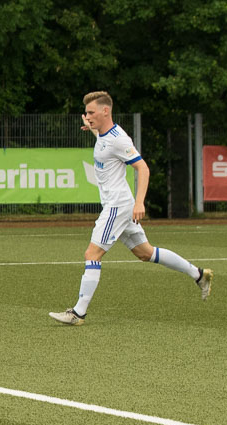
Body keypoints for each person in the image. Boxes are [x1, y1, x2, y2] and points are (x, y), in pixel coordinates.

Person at [49, 91, 213, 326]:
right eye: (86, 113)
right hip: (118, 205)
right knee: (145, 253)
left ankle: (78, 313)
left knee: (92, 255)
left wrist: (139, 202)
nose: (87, 116)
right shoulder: (104, 133)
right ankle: (198, 274)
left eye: (91, 112)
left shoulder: (119, 140)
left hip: (117, 205)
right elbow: (102, 138)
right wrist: (91, 126)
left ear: (106, 111)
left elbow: (143, 168)